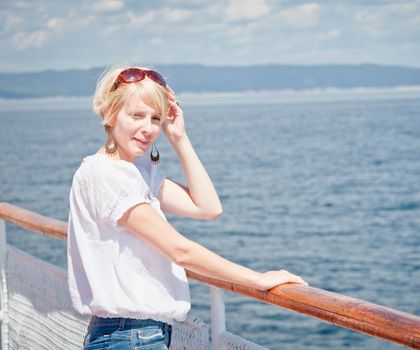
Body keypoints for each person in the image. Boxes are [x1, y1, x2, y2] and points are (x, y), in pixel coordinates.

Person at [67, 65, 308, 350]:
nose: (148, 128)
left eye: (155, 118)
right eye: (136, 115)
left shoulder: (135, 173)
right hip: (130, 336)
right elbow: (180, 251)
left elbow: (208, 207)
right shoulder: (108, 176)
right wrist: (259, 280)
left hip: (136, 335)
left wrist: (179, 138)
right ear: (109, 113)